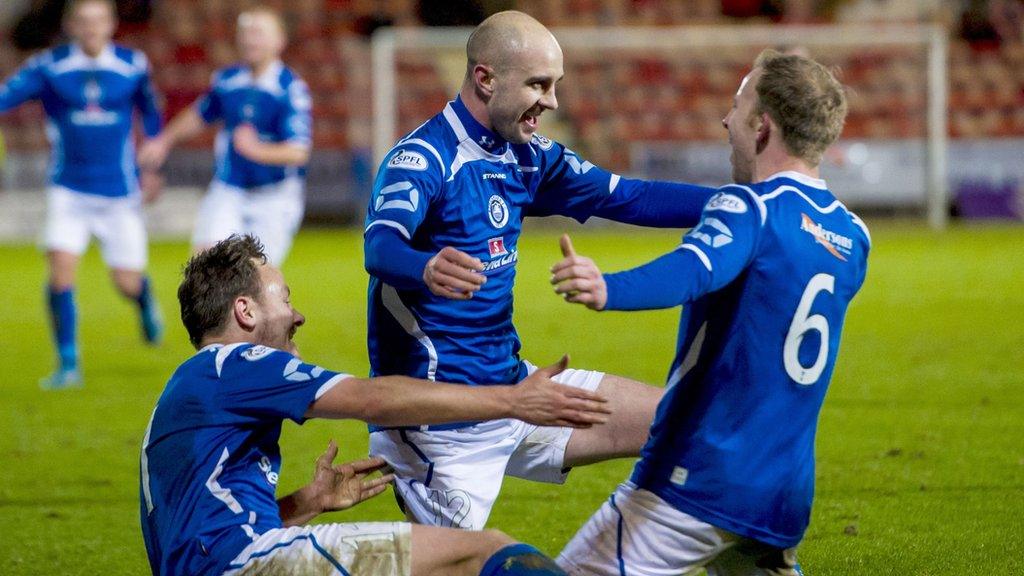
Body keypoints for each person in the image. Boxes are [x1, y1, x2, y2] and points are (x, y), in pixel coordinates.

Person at [363, 10, 718, 531]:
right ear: (485, 79)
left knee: (690, 423)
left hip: (519, 391)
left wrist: (745, 205)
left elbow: (632, 197)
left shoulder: (527, 157)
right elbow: (379, 247)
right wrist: (424, 265)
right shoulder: (423, 158)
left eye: (555, 85)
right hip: (439, 429)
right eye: (538, 84)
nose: (551, 101)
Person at [551, 49, 870, 575]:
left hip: (699, 479)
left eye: (738, 104)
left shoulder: (749, 206)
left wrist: (608, 286)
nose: (726, 119)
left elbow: (693, 269)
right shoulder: (853, 237)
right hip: (782, 491)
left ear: (763, 128)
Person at [141, 234, 611, 576]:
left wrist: (310, 501)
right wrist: (512, 400)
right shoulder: (236, 362)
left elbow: (195, 543)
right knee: (484, 553)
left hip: (238, 561)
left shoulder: (190, 389)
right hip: (253, 565)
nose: (298, 314)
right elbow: (372, 398)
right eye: (284, 299)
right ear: (245, 312)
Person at [0, 0, 164, 389]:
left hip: (118, 191)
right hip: (68, 188)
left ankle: (142, 300)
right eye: (83, 21)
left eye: (98, 20)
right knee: (60, 269)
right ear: (71, 25)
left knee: (126, 281)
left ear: (111, 24)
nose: (91, 28)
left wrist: (153, 166)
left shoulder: (133, 64)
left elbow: (151, 115)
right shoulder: (50, 66)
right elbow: (7, 96)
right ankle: (68, 364)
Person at [138, 6, 310, 266]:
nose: (250, 39)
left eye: (258, 33)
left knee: (253, 276)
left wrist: (256, 150)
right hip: (229, 188)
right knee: (204, 265)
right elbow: (199, 115)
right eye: (246, 32)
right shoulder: (227, 81)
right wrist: (164, 140)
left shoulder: (290, 89)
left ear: (279, 41)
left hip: (274, 196)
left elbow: (298, 152)